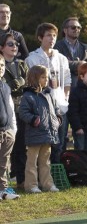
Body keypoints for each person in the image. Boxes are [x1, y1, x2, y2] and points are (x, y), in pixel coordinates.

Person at [25, 23, 71, 164]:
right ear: (40, 38)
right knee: (43, 143)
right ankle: (41, 176)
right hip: (41, 107)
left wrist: (64, 98)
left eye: (54, 35)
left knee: (60, 141)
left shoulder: (61, 58)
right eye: (48, 35)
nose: (52, 38)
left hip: (60, 106)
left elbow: (67, 80)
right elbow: (31, 82)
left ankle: (57, 174)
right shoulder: (32, 58)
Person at [19, 65, 61, 193]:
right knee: (32, 161)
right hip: (34, 133)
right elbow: (23, 112)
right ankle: (31, 185)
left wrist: (58, 118)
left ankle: (47, 184)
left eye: (46, 77)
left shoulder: (48, 94)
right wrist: (33, 119)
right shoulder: (28, 96)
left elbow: (56, 108)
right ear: (34, 78)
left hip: (48, 133)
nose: (46, 80)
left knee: (45, 161)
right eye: (43, 77)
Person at [0, 33, 28, 190]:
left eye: (16, 44)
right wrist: (18, 83)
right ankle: (4, 184)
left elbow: (29, 82)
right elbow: (6, 88)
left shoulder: (22, 64)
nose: (14, 47)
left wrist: (20, 83)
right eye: (10, 44)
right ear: (2, 48)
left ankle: (21, 180)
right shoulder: (0, 65)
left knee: (20, 148)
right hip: (5, 113)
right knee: (4, 154)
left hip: (22, 110)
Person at [54, 17, 87, 88]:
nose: (77, 29)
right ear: (65, 30)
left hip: (84, 88)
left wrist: (73, 64)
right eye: (73, 27)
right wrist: (79, 64)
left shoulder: (86, 48)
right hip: (64, 87)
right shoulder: (57, 46)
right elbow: (59, 64)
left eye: (79, 28)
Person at [0, 54, 19, 199]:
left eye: (1, 66)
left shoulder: (5, 86)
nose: (0, 68)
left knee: (4, 163)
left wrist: (13, 129)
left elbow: (10, 108)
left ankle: (3, 190)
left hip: (7, 131)